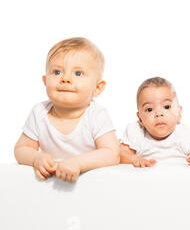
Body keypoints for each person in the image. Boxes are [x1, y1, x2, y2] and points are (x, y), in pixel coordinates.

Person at [14, 37, 120, 182]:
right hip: (52, 185)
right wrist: (36, 158)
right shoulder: (39, 112)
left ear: (97, 88)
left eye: (78, 73)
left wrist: (78, 163)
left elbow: (112, 154)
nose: (66, 79)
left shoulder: (96, 115)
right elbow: (21, 149)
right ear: (45, 82)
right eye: (57, 72)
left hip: (91, 183)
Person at [120, 77, 190, 167]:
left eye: (166, 107)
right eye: (149, 109)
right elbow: (119, 154)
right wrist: (133, 159)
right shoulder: (137, 134)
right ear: (140, 119)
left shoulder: (186, 136)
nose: (159, 114)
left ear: (179, 113)